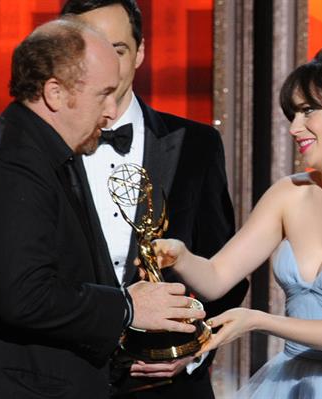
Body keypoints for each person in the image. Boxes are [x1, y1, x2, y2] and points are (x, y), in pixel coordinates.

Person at [0, 18, 204, 399]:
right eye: (104, 94)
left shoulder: (37, 153)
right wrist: (128, 306)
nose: (112, 111)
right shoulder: (12, 163)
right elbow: (26, 296)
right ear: (55, 93)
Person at [153, 42, 322, 398]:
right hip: (290, 384)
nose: (295, 127)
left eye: (309, 111)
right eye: (293, 114)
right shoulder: (288, 194)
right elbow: (217, 278)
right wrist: (182, 256)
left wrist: (256, 320)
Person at [60, 1, 249, 398]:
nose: (106, 65)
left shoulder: (196, 145)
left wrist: (193, 349)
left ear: (140, 52)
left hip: (170, 386)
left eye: (118, 49)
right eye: (89, 49)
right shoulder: (41, 148)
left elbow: (224, 273)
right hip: (65, 379)